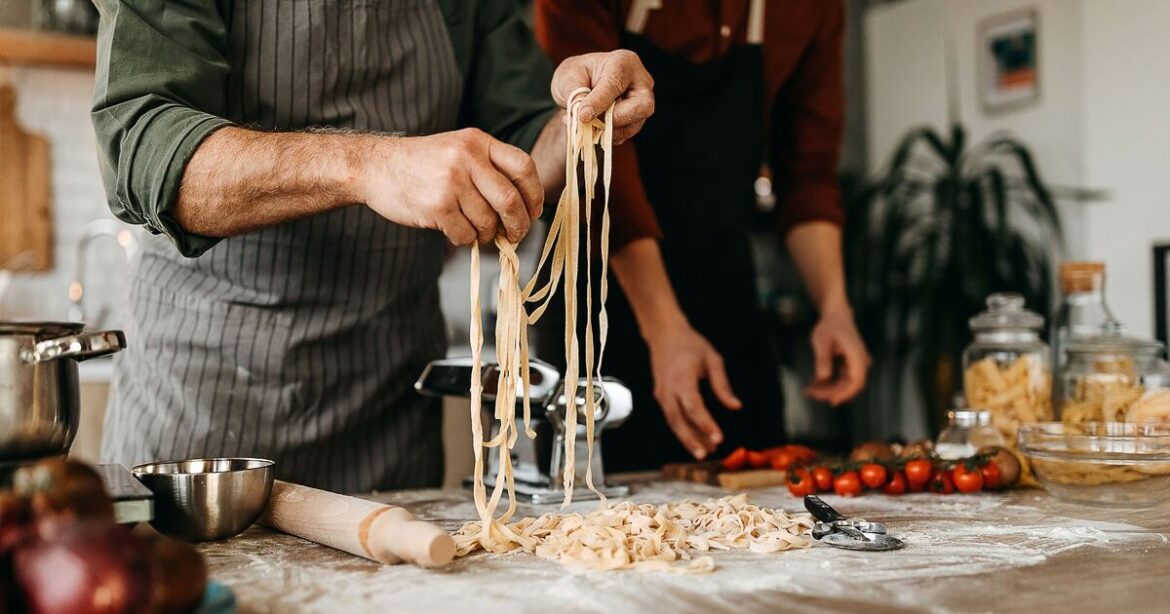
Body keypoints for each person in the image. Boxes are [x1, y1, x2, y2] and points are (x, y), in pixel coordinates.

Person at [90, 0, 654, 492]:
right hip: (204, 424)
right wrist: (369, 164)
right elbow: (144, 150)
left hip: (387, 424)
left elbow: (522, 160)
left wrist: (580, 118)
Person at [534, 0, 869, 470]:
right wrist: (665, 327)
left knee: (763, 514)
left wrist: (834, 308)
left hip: (724, 287)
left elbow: (807, 175)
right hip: (598, 299)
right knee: (603, 523)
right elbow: (601, 166)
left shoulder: (812, 9)